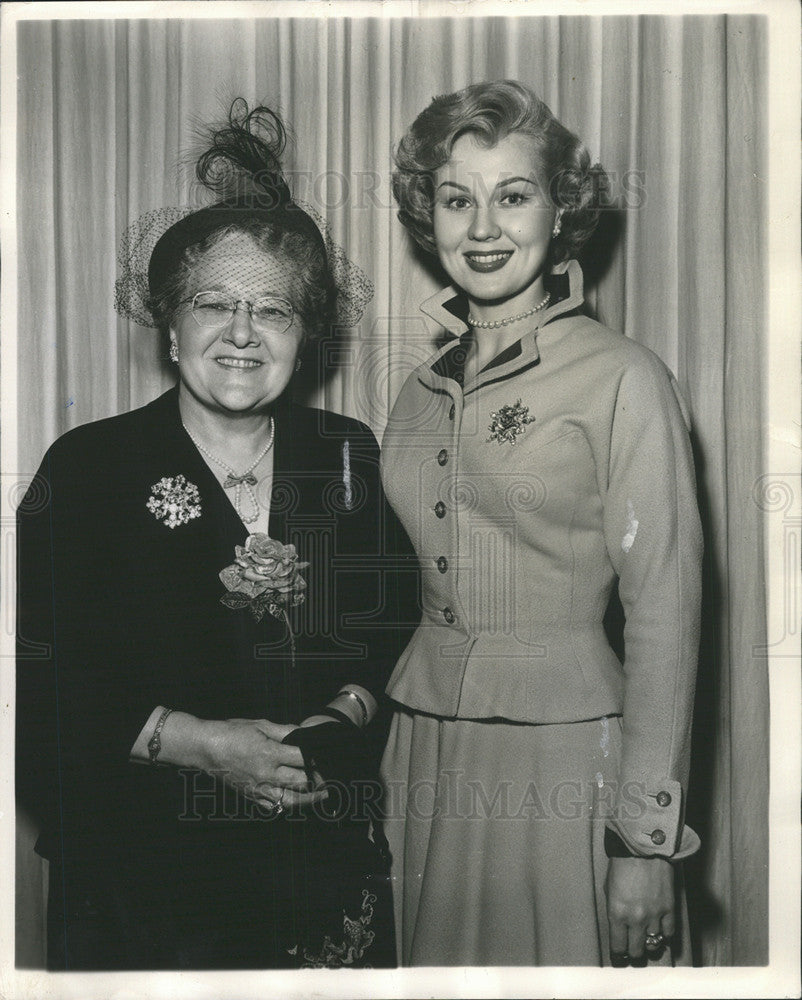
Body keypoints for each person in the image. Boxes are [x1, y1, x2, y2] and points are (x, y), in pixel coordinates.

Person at [16, 100, 411, 970]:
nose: (240, 332)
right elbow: (38, 691)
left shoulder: (345, 453)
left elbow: (391, 626)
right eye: (212, 304)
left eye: (272, 310)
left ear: (304, 336)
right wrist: (201, 743)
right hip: (142, 883)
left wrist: (340, 717)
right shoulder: (86, 469)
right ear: (168, 323)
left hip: (321, 869)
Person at [379, 80, 703, 967]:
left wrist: (643, 839)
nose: (482, 227)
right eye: (456, 198)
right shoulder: (413, 392)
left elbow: (667, 615)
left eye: (513, 195)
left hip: (565, 761)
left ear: (561, 213)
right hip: (423, 752)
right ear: (427, 215)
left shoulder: (624, 377)